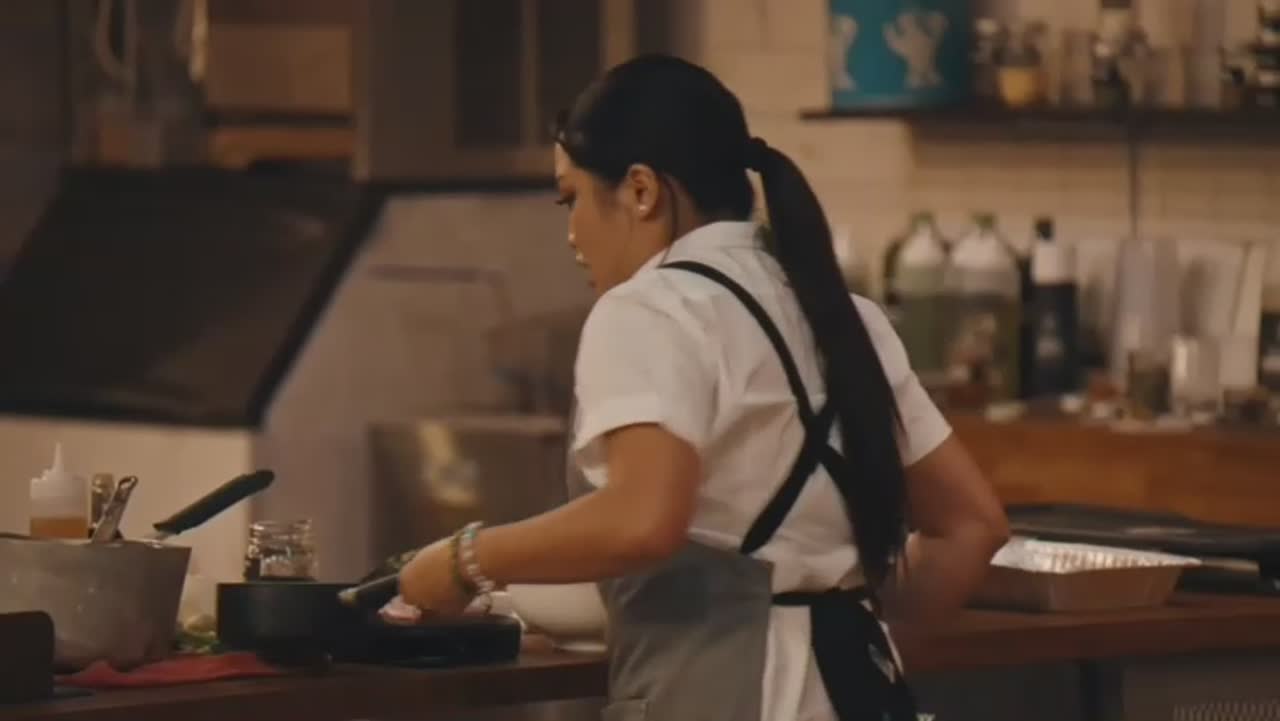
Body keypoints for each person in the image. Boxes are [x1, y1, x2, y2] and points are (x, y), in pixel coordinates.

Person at [394, 54, 1009, 721]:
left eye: (573, 199)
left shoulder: (651, 309)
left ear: (641, 190)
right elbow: (970, 526)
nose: (572, 234)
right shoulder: (847, 315)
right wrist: (858, 641)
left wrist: (463, 560)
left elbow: (642, 519)